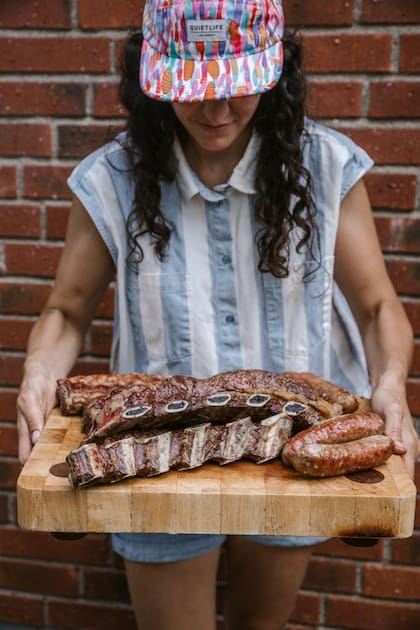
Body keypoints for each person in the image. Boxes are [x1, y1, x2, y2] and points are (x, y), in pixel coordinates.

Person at [17, 1, 418, 628]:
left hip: (295, 449)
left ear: (273, 74)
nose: (217, 109)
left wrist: (391, 382)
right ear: (154, 81)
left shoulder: (323, 167)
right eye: (193, 90)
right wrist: (39, 372)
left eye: (236, 87)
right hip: (150, 462)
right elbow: (67, 314)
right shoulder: (113, 179)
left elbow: (376, 308)